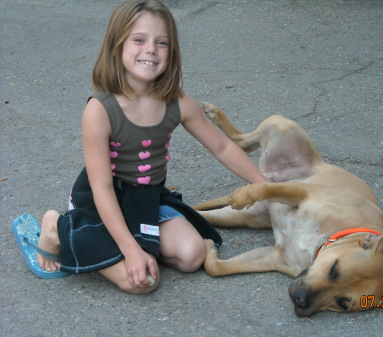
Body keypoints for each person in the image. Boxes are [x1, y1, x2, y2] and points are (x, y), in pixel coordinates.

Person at [36, 0, 266, 294]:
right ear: (116, 46)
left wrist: (266, 188)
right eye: (139, 40)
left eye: (162, 43)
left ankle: (136, 243)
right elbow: (102, 189)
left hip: (146, 200)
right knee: (143, 284)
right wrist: (132, 252)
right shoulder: (99, 111)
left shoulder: (178, 102)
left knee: (192, 256)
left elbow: (221, 146)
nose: (151, 50)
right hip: (100, 202)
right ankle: (57, 228)